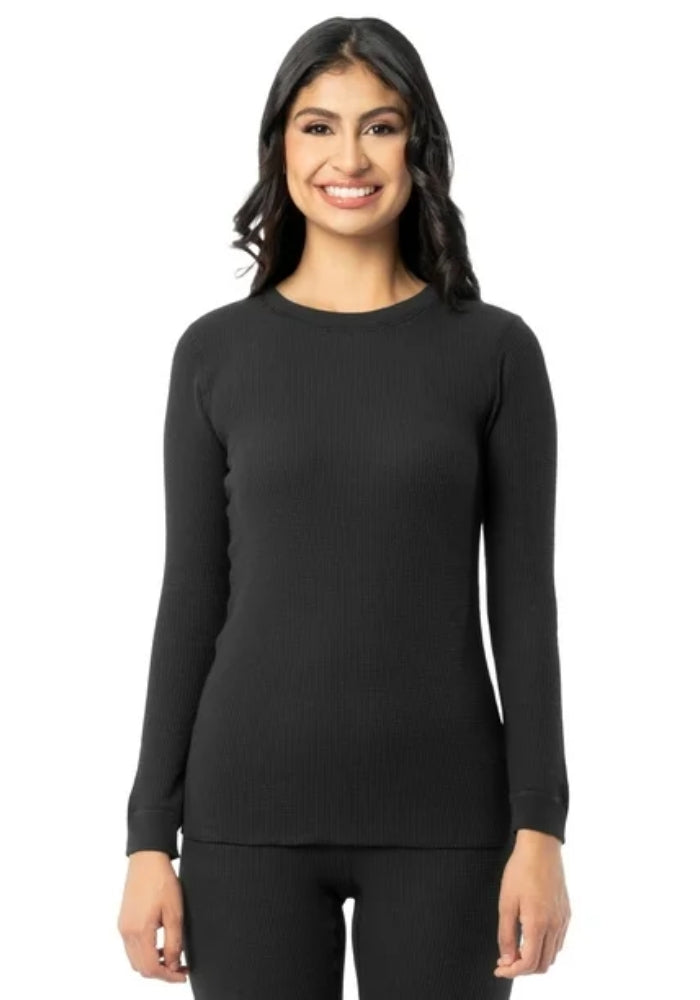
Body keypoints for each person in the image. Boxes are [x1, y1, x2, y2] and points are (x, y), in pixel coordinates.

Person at [117, 16, 571, 999]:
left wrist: (541, 826)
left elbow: (524, 605)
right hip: (244, 816)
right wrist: (149, 836)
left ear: (419, 146)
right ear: (280, 145)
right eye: (319, 126)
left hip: (451, 820)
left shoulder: (493, 352)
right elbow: (190, 599)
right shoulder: (215, 353)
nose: (350, 158)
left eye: (382, 126)